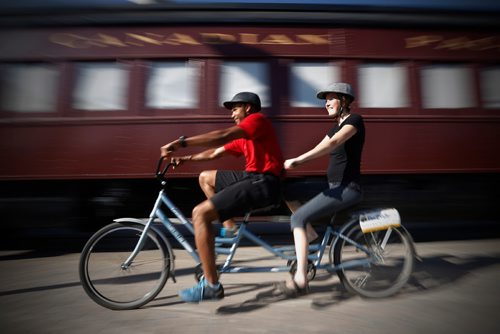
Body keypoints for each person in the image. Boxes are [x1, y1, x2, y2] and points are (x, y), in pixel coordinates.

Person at [160, 92, 284, 303]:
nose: (232, 114)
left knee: (199, 214)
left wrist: (182, 143)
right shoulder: (245, 135)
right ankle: (230, 227)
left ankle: (211, 286)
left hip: (264, 182)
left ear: (248, 107)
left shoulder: (257, 121)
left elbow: (223, 135)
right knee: (205, 177)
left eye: (235, 109)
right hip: (253, 177)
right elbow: (215, 153)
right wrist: (185, 159)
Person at [278, 82, 365, 296]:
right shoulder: (335, 126)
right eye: (325, 100)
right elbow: (319, 147)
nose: (326, 103)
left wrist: (299, 160)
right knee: (286, 191)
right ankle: (310, 238)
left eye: (331, 98)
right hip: (332, 186)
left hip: (347, 188)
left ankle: (300, 279)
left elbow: (333, 143)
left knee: (297, 219)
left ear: (344, 101)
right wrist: (294, 161)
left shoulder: (354, 121)